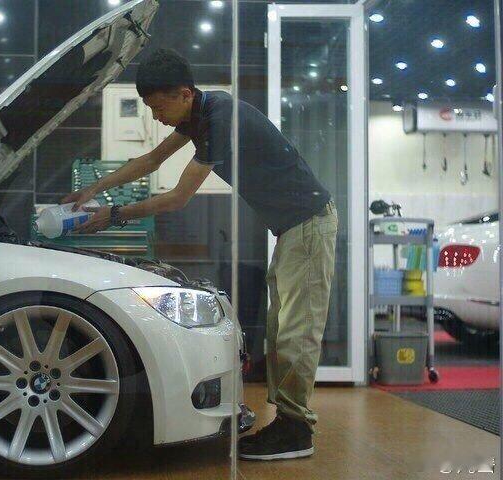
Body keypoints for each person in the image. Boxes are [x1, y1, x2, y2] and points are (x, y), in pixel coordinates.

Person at [61, 48, 337, 461]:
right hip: (293, 229)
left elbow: (178, 197)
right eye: (150, 109)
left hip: (310, 225)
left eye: (160, 107)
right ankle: (288, 423)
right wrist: (94, 189)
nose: (157, 117)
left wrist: (114, 215)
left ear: (185, 94)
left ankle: (296, 430)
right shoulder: (201, 113)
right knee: (281, 328)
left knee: (296, 330)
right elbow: (152, 159)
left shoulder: (219, 118)